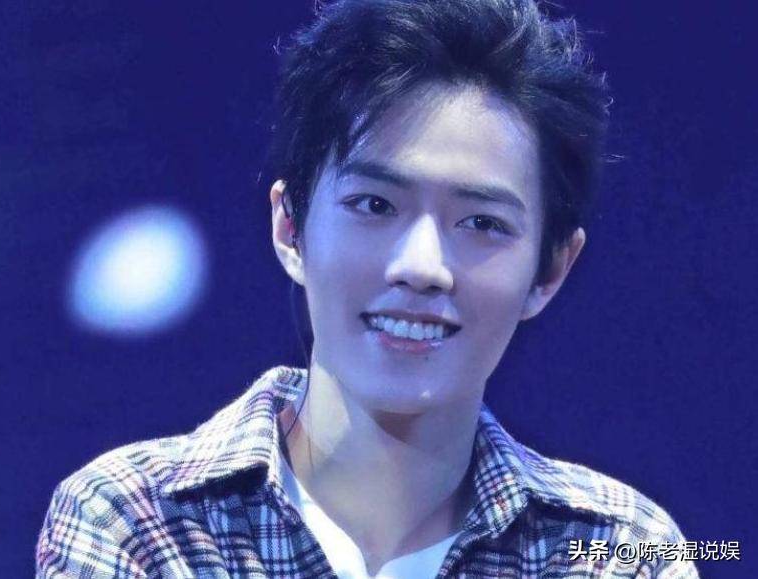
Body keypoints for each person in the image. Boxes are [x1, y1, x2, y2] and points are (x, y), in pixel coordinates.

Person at [36, 0, 699, 577]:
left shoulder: (618, 550)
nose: (421, 265)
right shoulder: (136, 519)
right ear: (290, 227)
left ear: (550, 269)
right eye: (374, 205)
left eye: (481, 222)